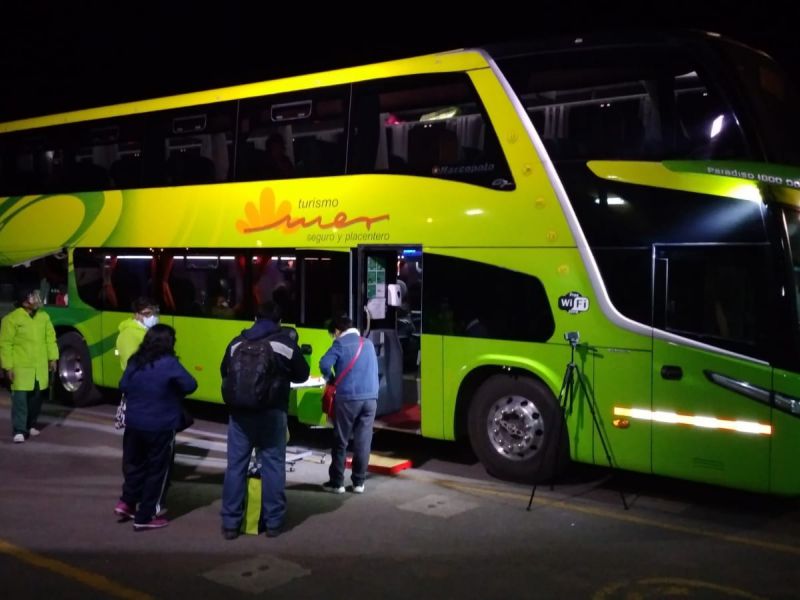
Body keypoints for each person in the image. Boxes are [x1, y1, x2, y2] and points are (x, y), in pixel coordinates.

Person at [219, 301, 309, 539]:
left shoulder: (237, 342)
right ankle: (273, 523)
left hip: (239, 415)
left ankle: (230, 524)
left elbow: (224, 371)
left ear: (255, 318)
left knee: (235, 466)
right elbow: (303, 375)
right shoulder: (284, 344)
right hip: (272, 413)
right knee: (273, 465)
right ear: (279, 321)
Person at [115, 324, 197, 530]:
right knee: (157, 471)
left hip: (134, 423)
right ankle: (145, 516)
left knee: (135, 465)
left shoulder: (136, 361)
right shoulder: (169, 363)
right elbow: (190, 385)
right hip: (160, 425)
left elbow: (123, 385)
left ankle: (127, 502)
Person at [319, 315, 379, 494]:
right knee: (363, 441)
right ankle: (359, 482)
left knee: (341, 440)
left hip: (348, 398)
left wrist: (331, 379)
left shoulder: (340, 344)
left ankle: (337, 483)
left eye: (333, 334)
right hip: (370, 399)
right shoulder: (367, 343)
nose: (334, 337)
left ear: (337, 331)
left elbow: (324, 363)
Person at [0, 288, 59, 443]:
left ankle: (30, 424)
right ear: (24, 301)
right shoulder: (11, 319)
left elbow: (50, 338)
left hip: (39, 367)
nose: (36, 299)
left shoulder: (43, 317)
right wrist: (8, 367)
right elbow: (5, 345)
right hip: (21, 368)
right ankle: (19, 430)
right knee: (20, 401)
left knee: (36, 399)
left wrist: (53, 358)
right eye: (33, 296)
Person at [116, 297, 159, 370]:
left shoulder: (146, 330)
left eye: (155, 313)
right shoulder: (128, 334)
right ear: (136, 315)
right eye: (147, 313)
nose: (152, 317)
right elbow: (129, 364)